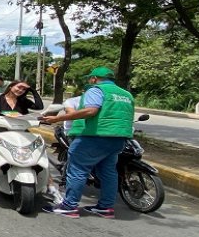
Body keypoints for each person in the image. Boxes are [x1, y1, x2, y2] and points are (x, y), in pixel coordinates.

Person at [40, 67, 134, 219]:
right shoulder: (126, 94)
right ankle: (105, 207)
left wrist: (57, 119)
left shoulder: (96, 90)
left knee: (77, 169)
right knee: (108, 173)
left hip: (94, 137)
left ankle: (69, 206)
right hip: (119, 139)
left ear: (94, 78)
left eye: (90, 78)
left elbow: (91, 111)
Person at [0, 80, 47, 200]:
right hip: (1, 133)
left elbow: (39, 107)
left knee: (39, 155)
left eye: (24, 89)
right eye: (19, 87)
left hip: (21, 133)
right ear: (12, 86)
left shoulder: (23, 101)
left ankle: (52, 188)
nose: (21, 90)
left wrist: (32, 90)